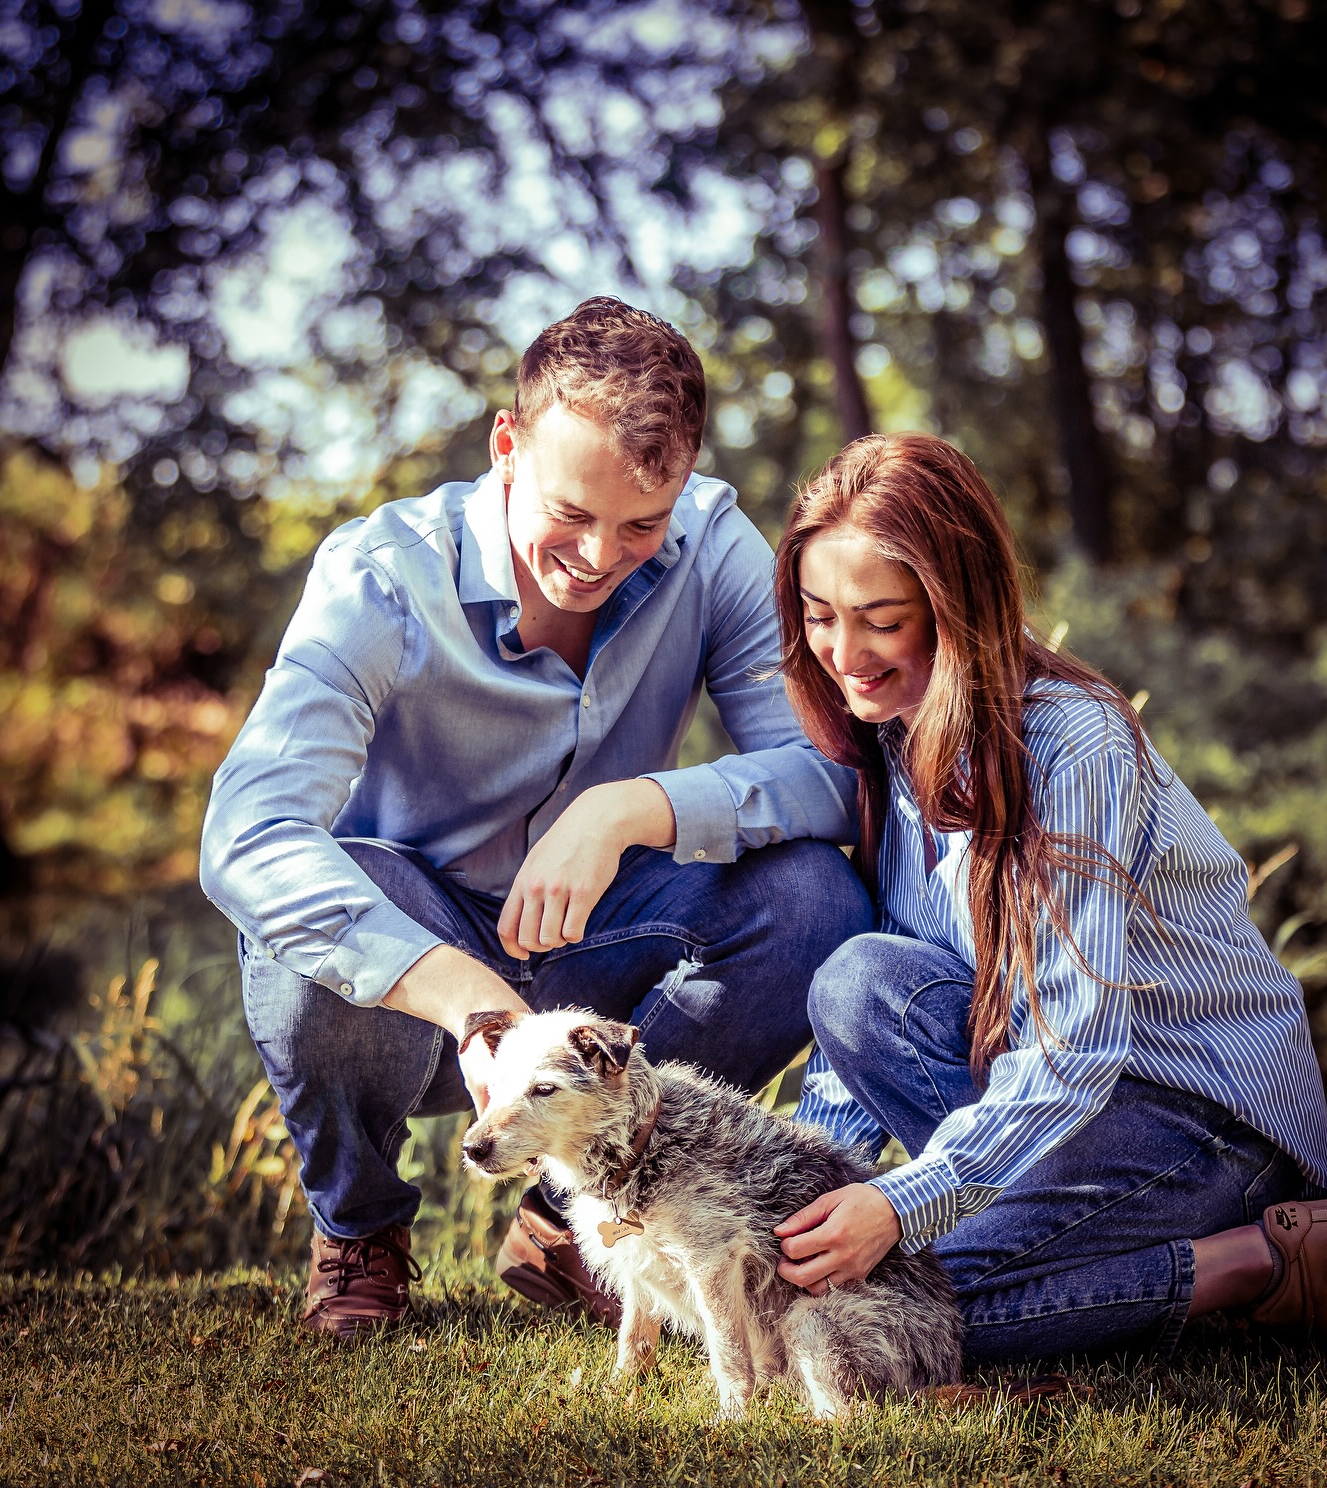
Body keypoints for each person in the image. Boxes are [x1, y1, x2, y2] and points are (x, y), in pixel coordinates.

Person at [200, 298, 871, 1340]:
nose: (602, 555)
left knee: (817, 898)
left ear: (683, 485)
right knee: (310, 915)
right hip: (406, 988)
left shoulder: (715, 547)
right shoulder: (379, 577)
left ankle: (577, 1216)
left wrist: (632, 806)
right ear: (506, 446)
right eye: (573, 513)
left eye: (643, 523)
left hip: (596, 949)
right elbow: (245, 836)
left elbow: (830, 773)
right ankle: (361, 1228)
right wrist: (468, 999)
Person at [768, 432, 1327, 1362]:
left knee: (884, 1316)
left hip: (1197, 1119)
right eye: (818, 616)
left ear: (952, 604)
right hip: (1051, 1101)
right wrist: (802, 1195)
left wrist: (901, 1203)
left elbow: (1078, 1048)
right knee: (856, 976)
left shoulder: (1072, 745)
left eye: (880, 619)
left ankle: (1260, 1261)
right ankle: (1024, 1237)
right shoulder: (892, 733)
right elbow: (887, 989)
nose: (844, 653)